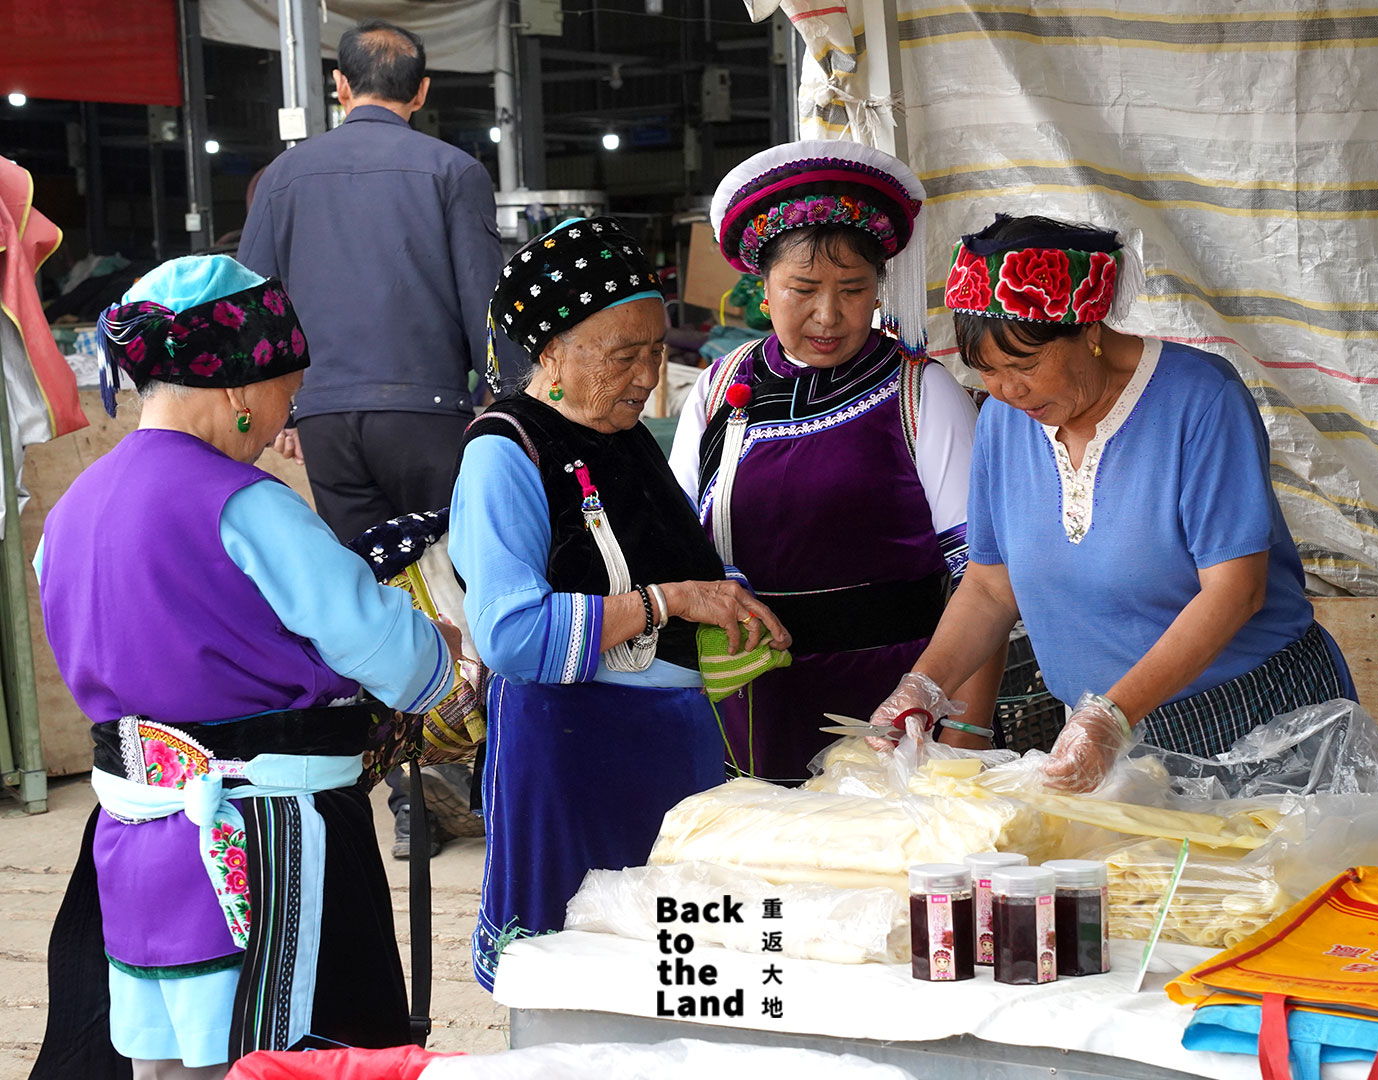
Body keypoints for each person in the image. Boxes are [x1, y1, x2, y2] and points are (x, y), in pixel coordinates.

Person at [29, 256, 462, 1079]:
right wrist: (443, 649)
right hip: (266, 839)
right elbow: (396, 660)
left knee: (164, 1057)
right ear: (239, 390)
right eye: (285, 394)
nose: (282, 420)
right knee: (288, 1054)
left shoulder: (73, 508)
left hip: (133, 833)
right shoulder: (247, 505)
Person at [872, 213, 1356, 791]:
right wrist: (924, 686)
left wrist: (1114, 714)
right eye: (987, 371)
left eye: (1024, 365)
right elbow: (990, 586)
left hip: (1252, 723)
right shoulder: (1005, 420)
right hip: (1102, 736)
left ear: (1090, 330)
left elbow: (1235, 590)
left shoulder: (1201, 400)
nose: (1007, 390)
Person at [449, 216, 790, 991]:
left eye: (656, 351)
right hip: (574, 748)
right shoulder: (506, 452)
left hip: (675, 744)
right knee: (577, 969)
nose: (646, 376)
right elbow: (510, 634)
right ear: (552, 354)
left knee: (675, 974)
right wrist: (668, 603)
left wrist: (723, 594)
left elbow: (665, 552)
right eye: (623, 355)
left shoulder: (627, 433)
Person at [238, 18, 515, 852]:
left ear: (338, 86)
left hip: (328, 425)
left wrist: (285, 408)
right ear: (422, 92)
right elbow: (485, 303)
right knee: (473, 593)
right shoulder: (453, 171)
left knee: (373, 606)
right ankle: (491, 779)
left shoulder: (283, 178)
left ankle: (408, 800)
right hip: (433, 417)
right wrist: (500, 406)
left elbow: (253, 305)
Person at [668, 140, 1006, 784]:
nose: (829, 315)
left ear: (879, 289)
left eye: (853, 289)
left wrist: (966, 735)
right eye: (803, 289)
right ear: (762, 288)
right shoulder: (716, 391)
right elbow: (679, 551)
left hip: (894, 713)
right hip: (744, 706)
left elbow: (984, 579)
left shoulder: (918, 393)